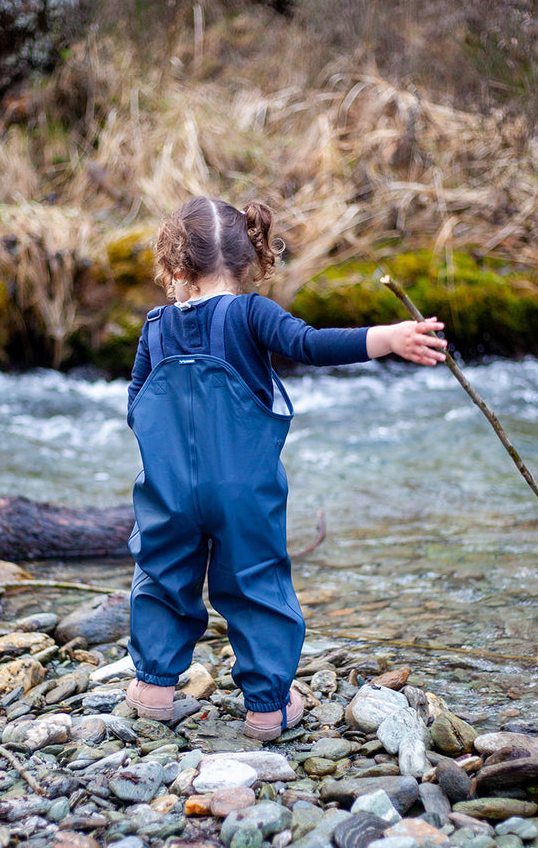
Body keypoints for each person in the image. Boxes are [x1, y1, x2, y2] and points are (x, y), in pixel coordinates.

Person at [124, 196, 446, 741]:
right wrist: (387, 339)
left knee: (161, 575)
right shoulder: (253, 314)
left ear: (176, 269)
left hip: (168, 488)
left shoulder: (155, 326)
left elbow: (137, 402)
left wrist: (173, 454)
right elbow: (310, 344)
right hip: (245, 492)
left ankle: (154, 689)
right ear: (248, 264)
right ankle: (268, 710)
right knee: (255, 583)